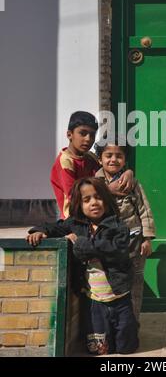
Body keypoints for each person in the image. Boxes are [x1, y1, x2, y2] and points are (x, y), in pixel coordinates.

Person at [26, 177, 139, 356]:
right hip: (94, 301)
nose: (94, 203)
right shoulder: (75, 224)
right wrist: (39, 231)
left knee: (127, 348)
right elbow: (54, 227)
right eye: (87, 200)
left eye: (98, 197)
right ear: (79, 204)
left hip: (120, 298)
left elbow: (112, 249)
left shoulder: (118, 226)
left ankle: (130, 328)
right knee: (99, 350)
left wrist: (80, 243)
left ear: (107, 201)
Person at [94, 136, 156, 321]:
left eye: (119, 156)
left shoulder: (132, 183)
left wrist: (147, 239)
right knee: (107, 283)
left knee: (135, 282)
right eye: (108, 155)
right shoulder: (94, 183)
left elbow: (144, 211)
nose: (113, 159)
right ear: (100, 159)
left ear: (125, 160)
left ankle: (133, 322)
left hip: (134, 242)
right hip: (107, 244)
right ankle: (111, 323)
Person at [50, 111, 133, 220]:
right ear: (69, 134)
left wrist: (128, 172)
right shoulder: (65, 162)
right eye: (83, 133)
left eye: (92, 135)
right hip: (75, 219)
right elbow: (75, 196)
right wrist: (107, 190)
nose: (88, 139)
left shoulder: (90, 157)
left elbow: (110, 170)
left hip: (96, 216)